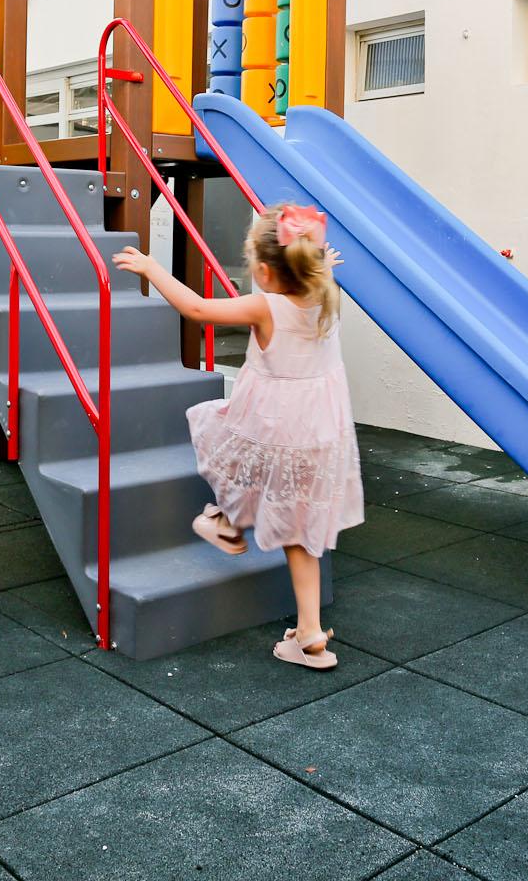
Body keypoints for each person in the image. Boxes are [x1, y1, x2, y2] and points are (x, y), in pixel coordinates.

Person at [111, 203, 362, 669]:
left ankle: (226, 522)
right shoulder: (326, 293)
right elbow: (316, 272)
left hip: (274, 423)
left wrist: (150, 267)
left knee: (222, 437)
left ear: (265, 272)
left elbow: (197, 308)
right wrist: (323, 266)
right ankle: (310, 635)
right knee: (301, 532)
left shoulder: (264, 306)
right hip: (322, 434)